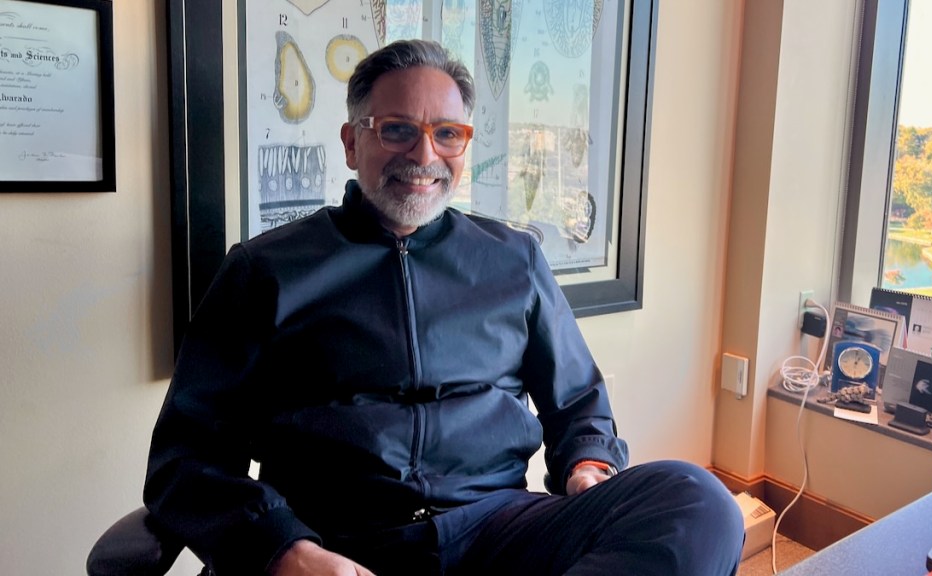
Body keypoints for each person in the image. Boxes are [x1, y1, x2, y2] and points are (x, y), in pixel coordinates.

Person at [144, 39, 744, 576]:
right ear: (353, 142)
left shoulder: (516, 260)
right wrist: (282, 548)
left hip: (497, 527)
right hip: (338, 543)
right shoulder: (263, 271)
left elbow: (579, 402)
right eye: (397, 129)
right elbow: (184, 459)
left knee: (699, 501)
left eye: (447, 133)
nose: (425, 155)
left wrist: (588, 461)